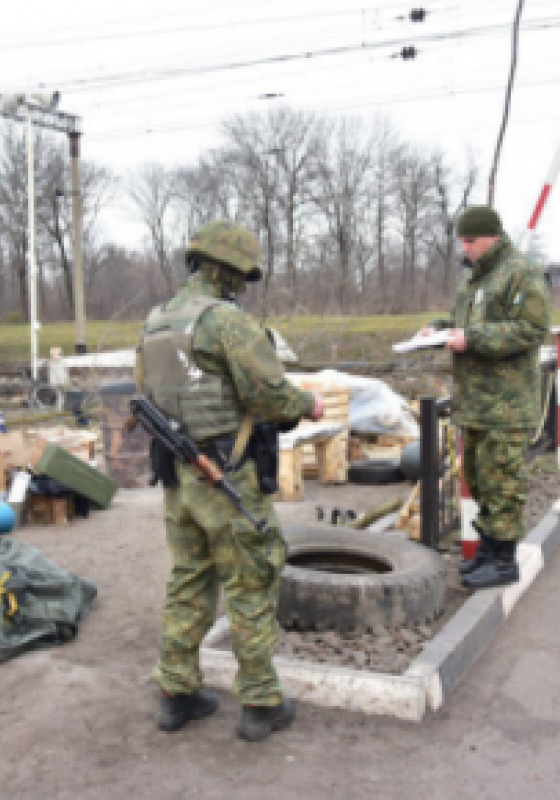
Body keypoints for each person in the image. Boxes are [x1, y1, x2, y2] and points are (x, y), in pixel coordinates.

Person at [137, 220, 324, 742]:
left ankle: (176, 692)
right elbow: (269, 397)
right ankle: (261, 702)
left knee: (189, 579)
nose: (243, 284)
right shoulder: (227, 322)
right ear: (231, 271)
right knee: (252, 580)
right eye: (243, 275)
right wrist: (308, 403)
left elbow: (144, 391)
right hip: (227, 477)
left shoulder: (155, 321)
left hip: (179, 477)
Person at [422, 206, 551, 590]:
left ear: (491, 236)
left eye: (471, 240)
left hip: (507, 402)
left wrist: (472, 340)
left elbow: (531, 329)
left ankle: (503, 557)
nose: (466, 248)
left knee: (501, 481)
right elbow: (467, 323)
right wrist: (441, 329)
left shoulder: (520, 273)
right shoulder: (474, 280)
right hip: (476, 401)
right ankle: (489, 548)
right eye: (462, 241)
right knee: (478, 477)